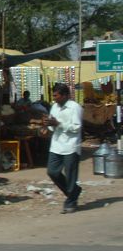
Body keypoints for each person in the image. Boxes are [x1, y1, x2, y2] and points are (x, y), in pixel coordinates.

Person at [44, 83, 83, 214]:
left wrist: (59, 124)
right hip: (56, 145)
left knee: (71, 175)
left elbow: (76, 127)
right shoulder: (54, 107)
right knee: (52, 171)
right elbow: (52, 125)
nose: (54, 98)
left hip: (71, 145)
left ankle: (71, 201)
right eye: (54, 95)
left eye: (57, 96)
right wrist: (49, 125)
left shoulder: (75, 107)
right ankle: (73, 192)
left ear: (65, 95)